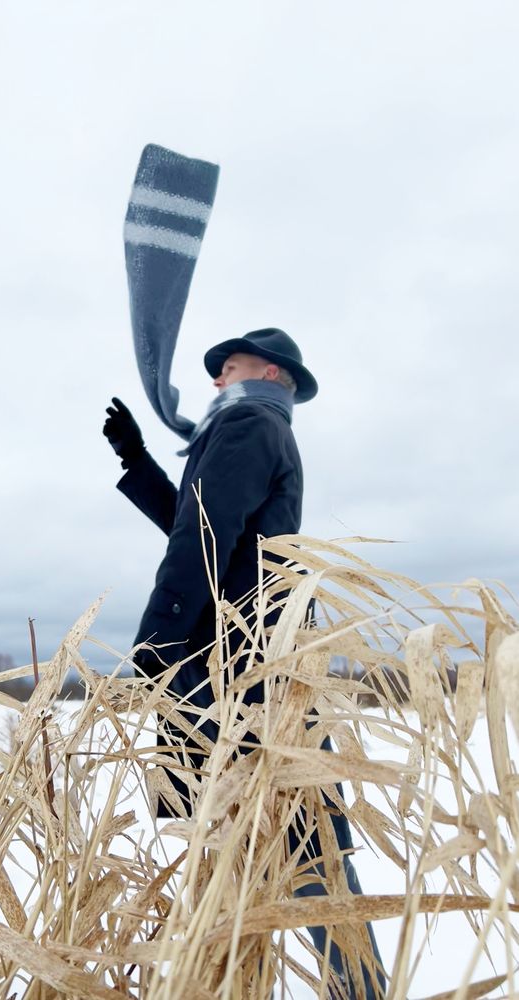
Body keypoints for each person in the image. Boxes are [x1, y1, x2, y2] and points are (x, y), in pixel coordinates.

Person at [104, 327, 386, 999]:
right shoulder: (249, 428)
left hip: (238, 676)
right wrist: (140, 462)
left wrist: (157, 644)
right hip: (256, 668)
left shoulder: (248, 424)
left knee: (301, 853)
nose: (215, 379)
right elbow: (205, 528)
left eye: (227, 367)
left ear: (273, 373)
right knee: (264, 854)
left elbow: (202, 536)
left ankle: (359, 992)